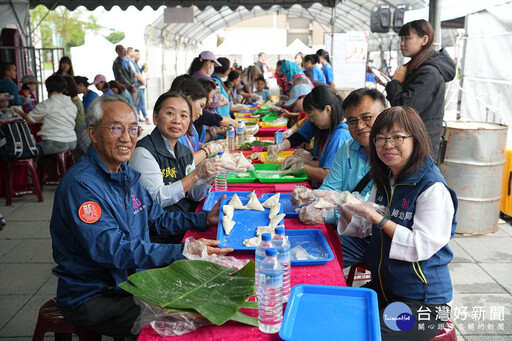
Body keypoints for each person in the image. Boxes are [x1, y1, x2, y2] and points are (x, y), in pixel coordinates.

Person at [51, 94, 232, 337]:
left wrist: (203, 219)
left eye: (133, 129)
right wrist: (182, 250)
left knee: (212, 292)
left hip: (130, 282)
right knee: (188, 322)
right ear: (93, 134)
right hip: (96, 295)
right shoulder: (82, 185)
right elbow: (112, 250)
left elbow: (156, 218)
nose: (126, 137)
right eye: (116, 128)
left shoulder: (125, 173)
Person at [340, 106, 457, 340]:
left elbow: (420, 245)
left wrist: (375, 216)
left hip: (422, 305)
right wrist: (341, 205)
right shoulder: (386, 178)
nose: (387, 144)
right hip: (386, 289)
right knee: (337, 315)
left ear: (417, 139)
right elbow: (368, 227)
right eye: (380, 138)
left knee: (361, 334)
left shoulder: (432, 187)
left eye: (397, 137)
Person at [295, 88, 387, 268]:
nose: (359, 126)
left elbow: (371, 214)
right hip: (346, 226)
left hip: (373, 237)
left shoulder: (391, 155)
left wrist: (328, 213)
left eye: (367, 118)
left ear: (385, 115)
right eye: (352, 120)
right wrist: (311, 197)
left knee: (310, 255)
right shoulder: (346, 147)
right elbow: (328, 189)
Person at [129, 90, 233, 220]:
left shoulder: (184, 151)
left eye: (184, 116)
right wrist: (196, 174)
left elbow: (193, 194)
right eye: (170, 113)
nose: (177, 121)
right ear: (155, 117)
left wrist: (211, 175)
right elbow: (157, 199)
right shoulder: (143, 152)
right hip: (161, 230)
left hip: (183, 219)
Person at [378, 19, 456, 161]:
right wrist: (390, 84)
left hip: (420, 146)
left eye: (407, 38)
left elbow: (406, 109)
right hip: (413, 140)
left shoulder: (428, 72)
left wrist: (395, 83)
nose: (402, 43)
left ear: (424, 39)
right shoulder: (419, 67)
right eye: (401, 38)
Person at [278, 85, 351, 184]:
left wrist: (303, 167)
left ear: (328, 110)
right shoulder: (326, 125)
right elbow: (323, 164)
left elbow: (328, 174)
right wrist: (302, 161)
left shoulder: (339, 136)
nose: (311, 120)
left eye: (312, 115)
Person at [16, 74, 77, 155]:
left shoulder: (48, 103)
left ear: (48, 88)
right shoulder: (71, 103)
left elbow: (29, 118)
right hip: (72, 141)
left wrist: (17, 110)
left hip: (54, 143)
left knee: (30, 150)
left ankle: (45, 167)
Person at [63, 76, 89, 160]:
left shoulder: (73, 103)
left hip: (78, 131)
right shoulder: (76, 100)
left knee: (83, 155)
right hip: (81, 130)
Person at [133, 49, 150, 124]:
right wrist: (142, 80)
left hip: (142, 86)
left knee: (139, 103)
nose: (138, 56)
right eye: (137, 55)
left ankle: (138, 116)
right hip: (139, 86)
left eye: (139, 54)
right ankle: (146, 117)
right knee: (142, 103)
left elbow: (139, 72)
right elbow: (136, 74)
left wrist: (143, 67)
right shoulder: (132, 63)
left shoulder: (137, 63)